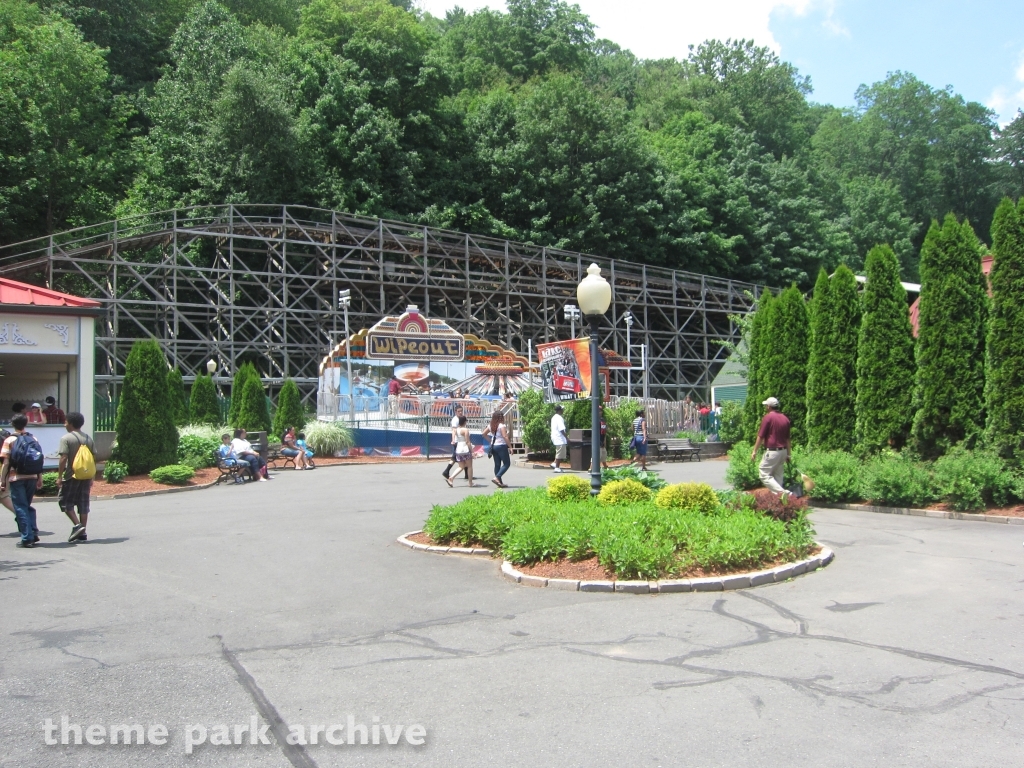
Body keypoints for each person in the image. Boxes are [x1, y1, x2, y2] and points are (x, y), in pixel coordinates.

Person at [1, 415, 43, 548]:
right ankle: (34, 531)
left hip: (16, 477)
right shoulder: (33, 438)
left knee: (20, 506)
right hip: (32, 477)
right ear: (25, 424)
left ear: (12, 424)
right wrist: (39, 477)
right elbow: (38, 459)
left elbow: (6, 463)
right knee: (27, 505)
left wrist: (3, 480)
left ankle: (27, 537)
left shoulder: (9, 440)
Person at [56, 412, 94, 542]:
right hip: (86, 475)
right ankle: (83, 532)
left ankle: (77, 526)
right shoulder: (88, 438)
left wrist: (59, 476)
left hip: (71, 476)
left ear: (71, 423)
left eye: (65, 422)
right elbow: (93, 458)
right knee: (83, 503)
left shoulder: (66, 439)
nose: (64, 424)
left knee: (65, 502)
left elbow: (63, 458)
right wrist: (92, 476)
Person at [750, 396, 792, 496]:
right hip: (783, 452)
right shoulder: (785, 418)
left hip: (773, 452)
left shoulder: (768, 417)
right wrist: (789, 455)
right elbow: (788, 439)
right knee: (778, 477)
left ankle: (783, 493)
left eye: (766, 406)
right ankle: (781, 504)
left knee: (763, 473)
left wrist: (754, 451)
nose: (765, 407)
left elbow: (761, 436)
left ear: (769, 407)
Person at [482, 411, 511, 488]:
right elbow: (505, 436)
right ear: (501, 417)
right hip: (501, 446)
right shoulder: (501, 425)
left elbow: (484, 434)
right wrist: (510, 447)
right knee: (507, 463)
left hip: (494, 446)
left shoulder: (491, 425)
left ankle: (499, 482)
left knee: (497, 464)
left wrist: (490, 441)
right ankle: (497, 477)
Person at [447, 415, 475, 487]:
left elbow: (454, 434)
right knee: (469, 466)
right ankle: (470, 482)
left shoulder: (457, 430)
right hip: (465, 449)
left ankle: (451, 478)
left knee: (461, 466)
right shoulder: (465, 430)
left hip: (458, 449)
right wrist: (472, 452)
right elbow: (467, 441)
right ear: (465, 422)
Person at [442, 405, 465, 483]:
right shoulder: (455, 420)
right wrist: (453, 440)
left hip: (461, 440)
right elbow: (454, 431)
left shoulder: (462, 418)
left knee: (460, 456)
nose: (460, 412)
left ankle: (467, 474)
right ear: (455, 412)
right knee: (457, 457)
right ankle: (446, 471)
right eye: (459, 411)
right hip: (457, 440)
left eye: (461, 411)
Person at [550, 405, 567, 473]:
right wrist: (567, 438)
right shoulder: (559, 418)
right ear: (559, 410)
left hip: (555, 437)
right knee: (559, 453)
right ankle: (557, 467)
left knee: (559, 452)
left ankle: (554, 464)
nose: (563, 411)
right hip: (559, 438)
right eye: (562, 409)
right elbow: (561, 429)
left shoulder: (554, 417)